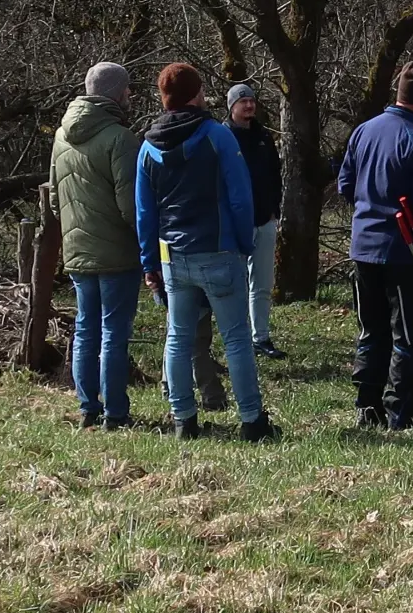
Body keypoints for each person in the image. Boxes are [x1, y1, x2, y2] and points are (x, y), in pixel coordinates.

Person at [136, 63, 279, 441]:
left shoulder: (148, 146)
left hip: (173, 257)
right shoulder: (217, 136)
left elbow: (144, 211)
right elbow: (240, 196)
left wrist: (150, 263)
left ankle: (184, 419)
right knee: (236, 337)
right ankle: (252, 420)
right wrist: (245, 245)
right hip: (218, 251)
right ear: (196, 95)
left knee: (178, 336)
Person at [338, 61, 413, 430]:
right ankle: (400, 410)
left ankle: (366, 405)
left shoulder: (364, 131)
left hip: (363, 245)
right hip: (404, 250)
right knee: (405, 333)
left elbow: (345, 185)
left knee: (371, 329)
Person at [50, 62, 141, 430]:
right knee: (113, 332)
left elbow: (55, 201)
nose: (131, 95)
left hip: (77, 251)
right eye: (128, 89)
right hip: (117, 253)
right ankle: (116, 412)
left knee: (86, 329)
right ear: (116, 93)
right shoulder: (121, 138)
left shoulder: (60, 135)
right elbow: (130, 207)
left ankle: (88, 407)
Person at [224, 83, 287, 360]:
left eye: (251, 100)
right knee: (235, 284)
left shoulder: (263, 137)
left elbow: (275, 173)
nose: (248, 105)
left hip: (265, 220)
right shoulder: (223, 137)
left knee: (261, 283)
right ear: (231, 107)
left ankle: (260, 337)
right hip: (235, 225)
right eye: (242, 101)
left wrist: (274, 209)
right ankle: (236, 339)